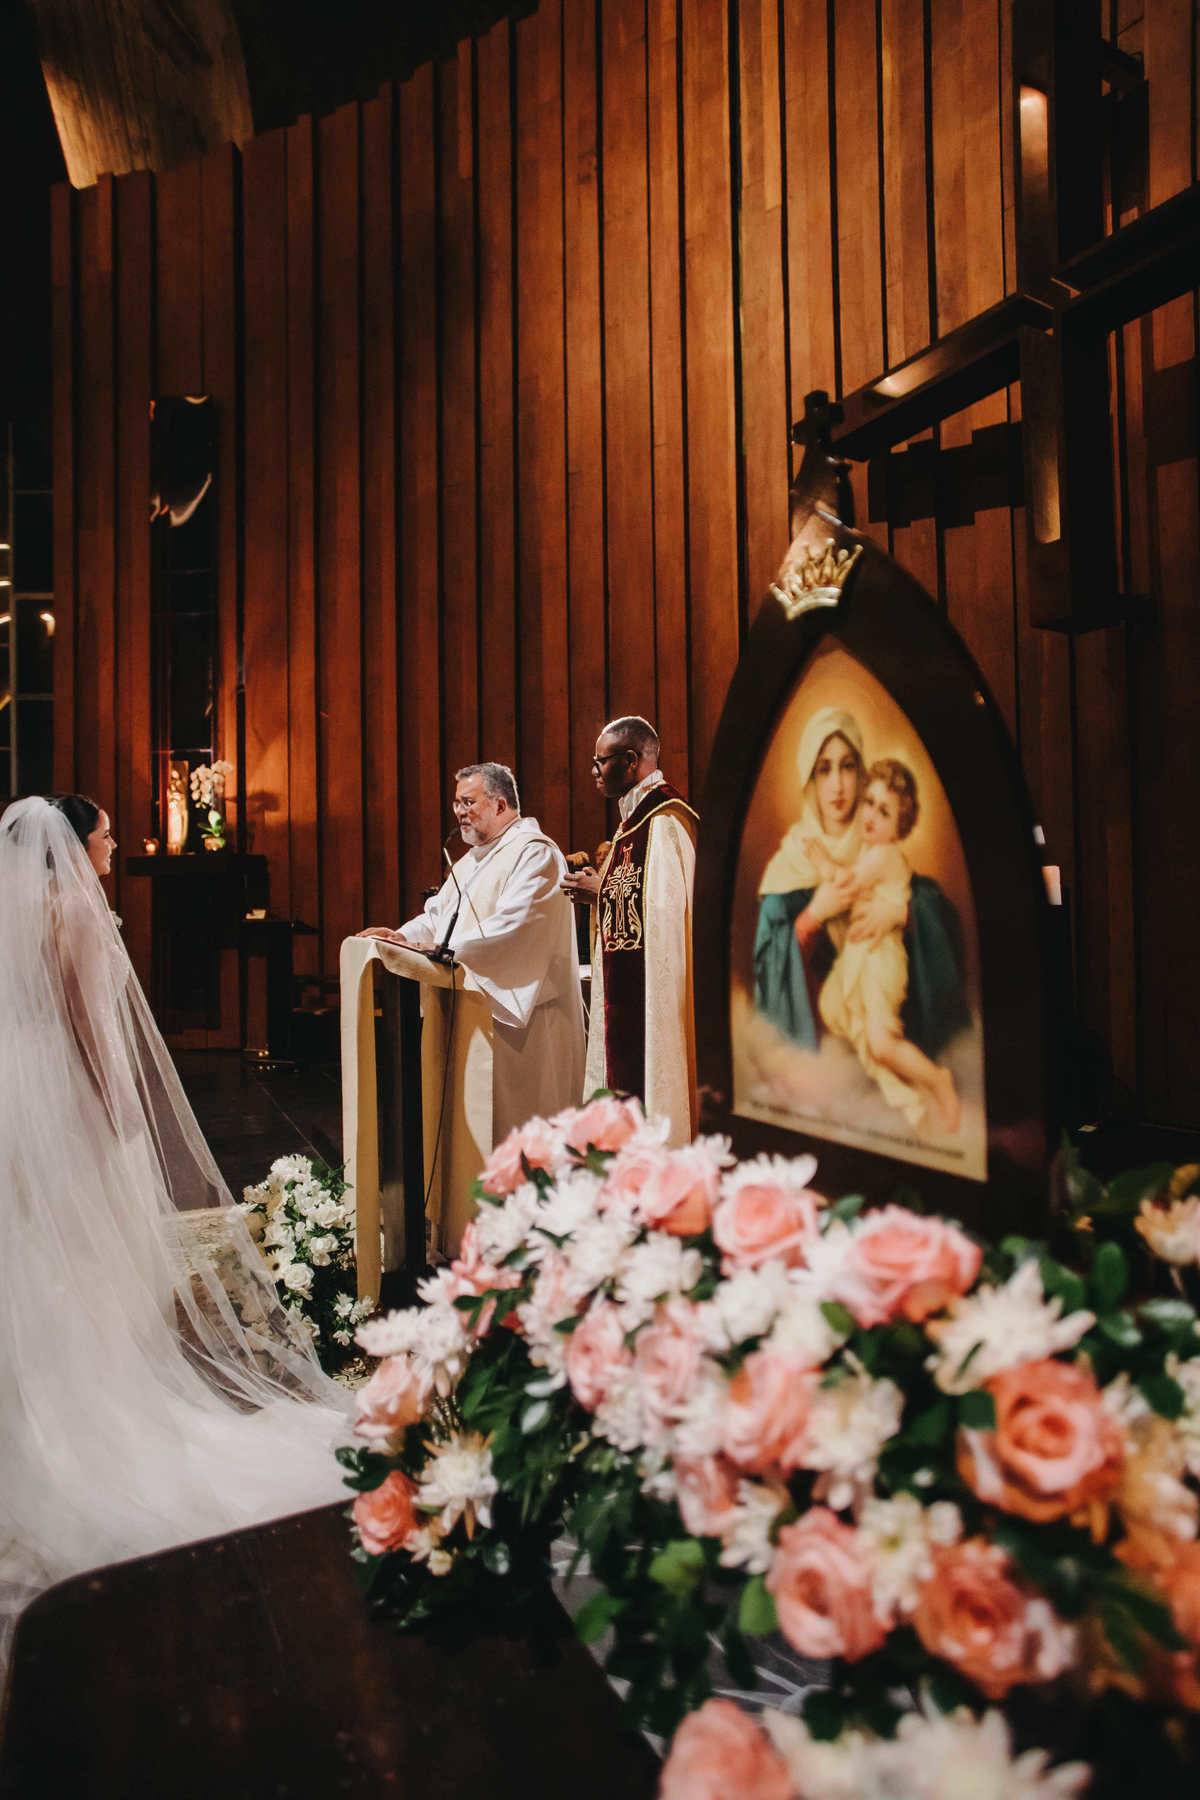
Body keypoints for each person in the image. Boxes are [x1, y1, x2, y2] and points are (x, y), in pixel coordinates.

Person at [0, 795, 352, 1663]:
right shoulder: (77, 911)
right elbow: (87, 1020)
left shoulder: (22, 909)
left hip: (21, 1093)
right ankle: (94, 1391)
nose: (115, 842)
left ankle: (35, 1392)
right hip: (70, 1093)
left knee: (40, 1244)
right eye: (105, 833)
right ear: (76, 844)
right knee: (94, 1242)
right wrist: (116, 1105)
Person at [358, 762, 584, 1138]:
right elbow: (438, 916)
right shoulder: (473, 860)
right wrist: (400, 938)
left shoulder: (535, 853)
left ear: (500, 805)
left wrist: (443, 950)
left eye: (469, 802)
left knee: (523, 1130)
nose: (460, 812)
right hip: (473, 1010)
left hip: (525, 1022)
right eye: (457, 803)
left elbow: (516, 927)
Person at [753, 708, 969, 1064]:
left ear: (862, 773)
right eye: (824, 769)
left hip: (889, 1039)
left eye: (848, 766)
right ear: (810, 778)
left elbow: (940, 917)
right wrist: (812, 917)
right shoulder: (788, 869)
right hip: (823, 1062)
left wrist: (901, 913)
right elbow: (767, 977)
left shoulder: (880, 845)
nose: (837, 785)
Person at [561, 717, 698, 1146]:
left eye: (601, 761)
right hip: (626, 993)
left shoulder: (665, 821)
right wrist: (599, 894)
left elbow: (667, 911)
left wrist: (600, 891)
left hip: (655, 995)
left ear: (632, 760)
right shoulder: (631, 826)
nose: (594, 771)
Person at [814, 760, 961, 1134]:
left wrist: (820, 861)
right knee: (851, 1023)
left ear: (899, 826)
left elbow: (846, 886)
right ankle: (911, 1101)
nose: (871, 815)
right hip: (864, 956)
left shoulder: (884, 855)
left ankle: (938, 1080)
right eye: (869, 802)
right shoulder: (870, 851)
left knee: (880, 1043)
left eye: (884, 811)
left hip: (882, 960)